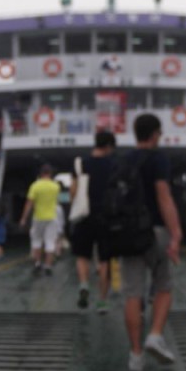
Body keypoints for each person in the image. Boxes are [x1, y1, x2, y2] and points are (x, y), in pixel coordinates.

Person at [122, 113, 183, 371]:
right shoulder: (158, 159)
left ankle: (135, 355)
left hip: (129, 233)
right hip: (155, 230)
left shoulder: (123, 160)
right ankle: (155, 335)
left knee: (132, 293)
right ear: (155, 133)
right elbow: (163, 197)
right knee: (164, 286)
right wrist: (176, 233)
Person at [70, 130, 117, 312]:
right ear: (108, 146)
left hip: (84, 215)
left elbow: (73, 191)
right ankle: (102, 302)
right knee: (104, 260)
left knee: (82, 255)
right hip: (106, 216)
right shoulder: (113, 165)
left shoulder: (80, 163)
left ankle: (83, 285)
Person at [19, 163, 61, 275]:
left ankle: (37, 263)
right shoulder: (56, 186)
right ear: (50, 173)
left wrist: (23, 218)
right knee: (50, 242)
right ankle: (48, 265)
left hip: (38, 217)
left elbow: (29, 203)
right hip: (52, 217)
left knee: (36, 240)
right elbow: (56, 201)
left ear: (41, 173)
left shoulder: (35, 186)